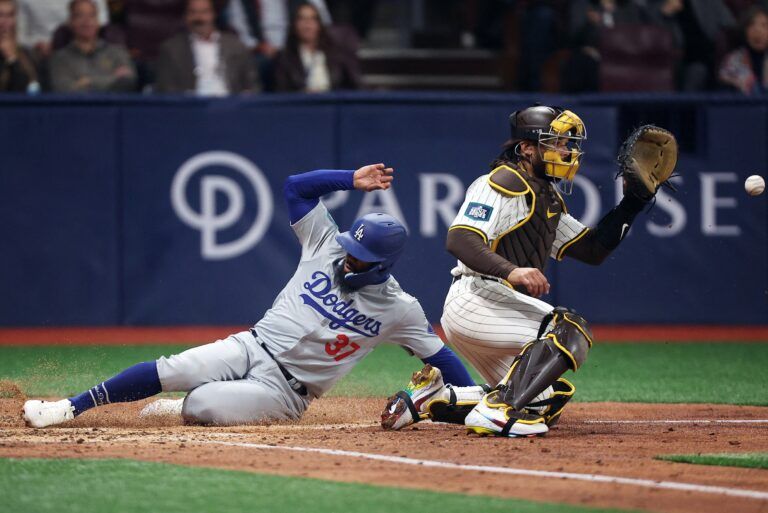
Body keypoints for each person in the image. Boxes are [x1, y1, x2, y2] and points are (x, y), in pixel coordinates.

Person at [22, 163, 475, 428]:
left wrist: (476, 401)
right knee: (171, 367)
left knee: (200, 405)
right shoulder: (326, 242)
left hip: (284, 391)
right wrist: (349, 179)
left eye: (358, 257)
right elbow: (296, 187)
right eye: (349, 247)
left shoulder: (400, 309)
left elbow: (445, 360)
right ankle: (68, 407)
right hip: (249, 344)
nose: (347, 257)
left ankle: (186, 403)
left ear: (383, 266)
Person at [381, 106, 675, 437]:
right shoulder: (502, 182)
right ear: (526, 148)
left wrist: (631, 204)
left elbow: (593, 250)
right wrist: (513, 272)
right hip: (477, 299)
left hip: (491, 308)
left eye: (569, 144)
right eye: (556, 142)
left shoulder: (545, 197)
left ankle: (433, 399)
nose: (566, 151)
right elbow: (460, 238)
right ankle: (497, 410)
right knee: (569, 330)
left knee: (543, 402)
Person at [154, 0, 258, 95]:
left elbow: (251, 85)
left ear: (214, 14)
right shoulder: (171, 49)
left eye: (204, 12)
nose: (199, 18)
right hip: (190, 109)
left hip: (230, 107)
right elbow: (167, 90)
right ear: (185, 16)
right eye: (192, 12)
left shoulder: (236, 46)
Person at [48, 0, 135, 93]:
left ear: (98, 21)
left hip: (114, 107)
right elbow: (63, 89)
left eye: (92, 15)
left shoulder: (117, 53)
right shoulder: (60, 59)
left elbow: (128, 82)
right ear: (71, 21)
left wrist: (88, 81)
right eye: (80, 15)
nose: (86, 21)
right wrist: (111, 79)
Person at [274, 1, 360, 93]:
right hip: (300, 105)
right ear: (294, 24)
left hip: (334, 104)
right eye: (302, 19)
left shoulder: (338, 55)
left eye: (312, 19)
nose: (307, 24)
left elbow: (354, 86)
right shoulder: (284, 58)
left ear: (319, 24)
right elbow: (281, 92)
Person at [15, 0, 108, 58]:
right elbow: (19, 35)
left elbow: (103, 23)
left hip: (81, 44)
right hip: (39, 51)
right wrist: (36, 44)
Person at [719, 5, 768, 94]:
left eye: (764, 25)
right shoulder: (733, 59)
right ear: (745, 31)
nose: (758, 31)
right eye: (751, 25)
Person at [0, 0, 39, 92]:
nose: (5, 22)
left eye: (10, 15)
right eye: (0, 15)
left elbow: (29, 90)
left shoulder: (29, 55)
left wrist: (12, 59)